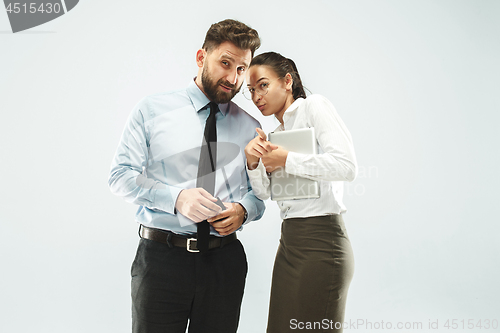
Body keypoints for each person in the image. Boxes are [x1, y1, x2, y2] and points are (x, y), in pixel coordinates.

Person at [108, 19, 266, 333]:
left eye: (241, 69)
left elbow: (261, 193)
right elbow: (120, 176)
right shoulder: (151, 111)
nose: (232, 77)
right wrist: (177, 198)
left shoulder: (251, 127)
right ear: (200, 58)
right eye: (225, 63)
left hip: (224, 264)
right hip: (161, 261)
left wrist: (245, 210)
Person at [243, 52, 358, 333]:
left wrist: (285, 159)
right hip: (290, 244)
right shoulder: (276, 134)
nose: (257, 96)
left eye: (263, 85)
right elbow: (265, 193)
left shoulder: (314, 106)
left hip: (322, 243)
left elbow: (346, 167)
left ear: (287, 81)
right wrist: (253, 162)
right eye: (251, 90)